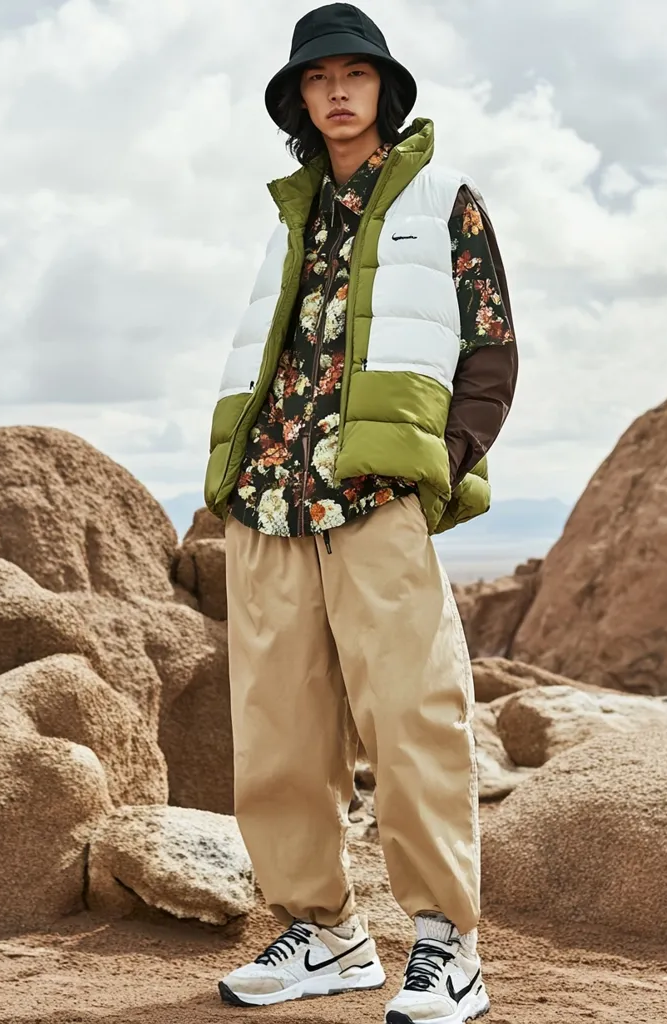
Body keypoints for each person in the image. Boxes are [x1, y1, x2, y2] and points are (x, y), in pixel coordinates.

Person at [204, 5, 517, 1022]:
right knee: (280, 733)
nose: (337, 91)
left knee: (413, 715)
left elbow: (490, 348)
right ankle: (327, 933)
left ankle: (447, 946)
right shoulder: (287, 213)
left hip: (375, 498)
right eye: (318, 78)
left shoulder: (441, 201)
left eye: (355, 74)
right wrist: (235, 470)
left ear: (385, 89)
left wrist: (444, 464)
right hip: (268, 500)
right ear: (299, 99)